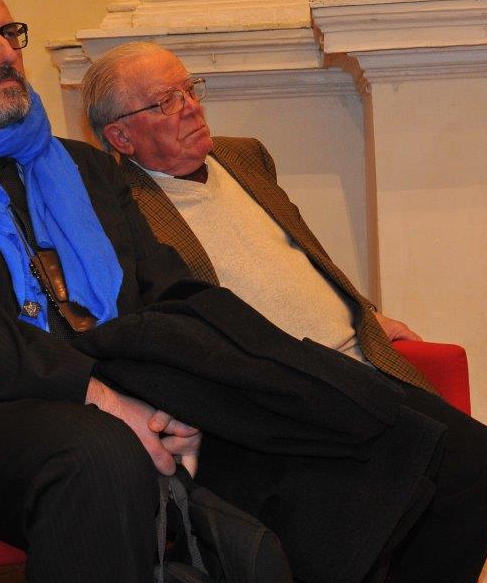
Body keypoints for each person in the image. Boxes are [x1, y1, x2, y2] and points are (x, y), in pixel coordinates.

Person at [0, 0, 487, 583]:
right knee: (101, 454)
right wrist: (99, 394)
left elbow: (168, 289)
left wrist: (217, 384)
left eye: (10, 34)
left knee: (459, 459)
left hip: (143, 389)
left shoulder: (84, 167)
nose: (7, 53)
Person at [81, 40, 433, 390]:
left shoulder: (243, 156)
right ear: (121, 137)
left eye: (189, 90)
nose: (192, 108)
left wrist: (368, 315)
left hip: (365, 361)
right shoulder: (122, 212)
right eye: (167, 101)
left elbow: (306, 255)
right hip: (287, 390)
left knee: (459, 425)